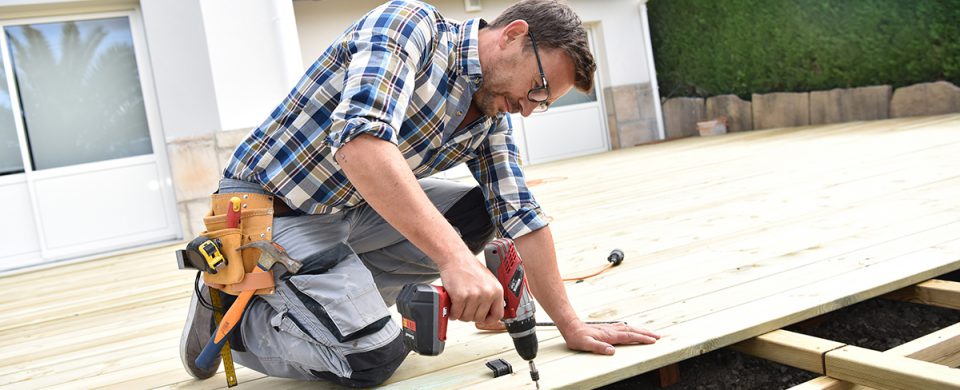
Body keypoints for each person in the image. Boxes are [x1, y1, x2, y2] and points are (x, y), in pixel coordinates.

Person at [180, 0, 660, 386]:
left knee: (481, 213)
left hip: (351, 208)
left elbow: (520, 213)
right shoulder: (411, 26)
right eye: (537, 89)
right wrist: (458, 262)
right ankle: (230, 314)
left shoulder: (489, 115)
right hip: (273, 210)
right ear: (513, 34)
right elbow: (359, 146)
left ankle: (340, 298)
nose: (530, 110)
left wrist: (571, 325)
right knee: (373, 357)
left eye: (544, 103)